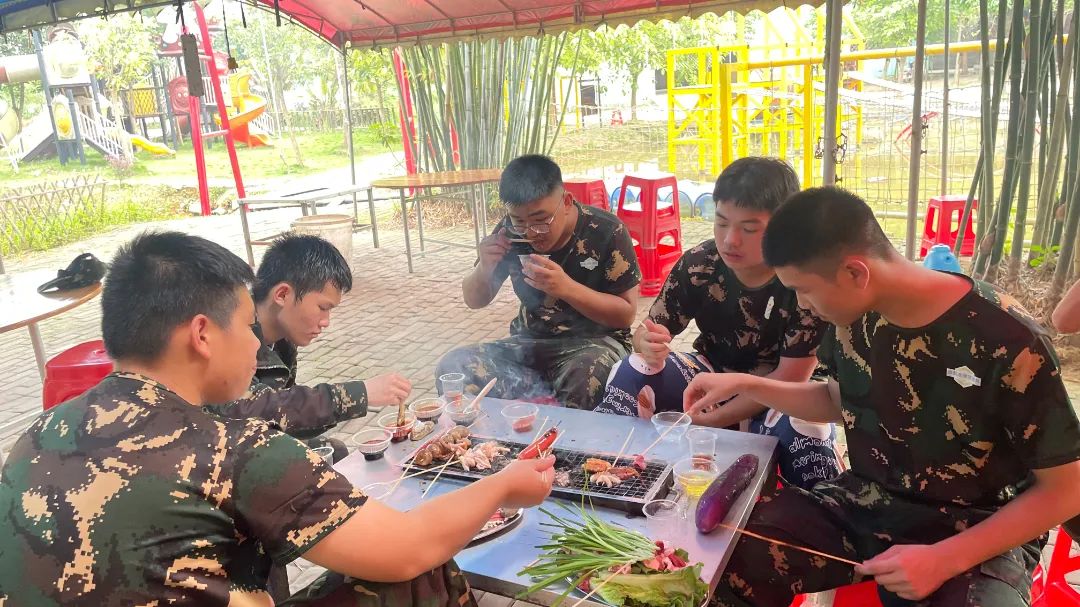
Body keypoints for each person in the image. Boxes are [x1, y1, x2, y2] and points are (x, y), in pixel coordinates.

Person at [0, 231, 555, 606]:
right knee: (419, 574)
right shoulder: (231, 449)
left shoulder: (37, 435)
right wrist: (503, 484)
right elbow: (408, 547)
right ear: (202, 335)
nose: (254, 342)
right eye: (245, 326)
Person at [683, 188, 1080, 606]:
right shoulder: (852, 315)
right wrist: (750, 385)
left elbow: (1066, 488)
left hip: (981, 528)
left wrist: (943, 560)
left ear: (855, 273)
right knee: (726, 555)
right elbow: (841, 400)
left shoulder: (1006, 337)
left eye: (804, 290)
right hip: (867, 504)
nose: (803, 305)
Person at [595, 157, 839, 490]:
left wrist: (711, 420)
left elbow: (792, 378)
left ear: (784, 227)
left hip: (780, 395)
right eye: (721, 222)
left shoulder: (801, 279)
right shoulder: (702, 263)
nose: (730, 240)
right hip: (711, 378)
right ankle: (610, 476)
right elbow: (647, 330)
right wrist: (647, 343)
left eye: (748, 229)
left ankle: (815, 511)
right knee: (633, 368)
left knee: (806, 427)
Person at [436, 154, 641, 409]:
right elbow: (474, 300)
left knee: (586, 375)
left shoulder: (607, 231)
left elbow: (625, 315)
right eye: (519, 221)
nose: (531, 232)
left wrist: (566, 288)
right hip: (529, 344)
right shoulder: (509, 232)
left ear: (566, 202)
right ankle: (494, 433)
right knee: (454, 367)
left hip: (595, 344)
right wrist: (484, 268)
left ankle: (569, 434)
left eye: (541, 220)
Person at [206, 234, 411, 463]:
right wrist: (360, 394)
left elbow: (285, 409)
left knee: (331, 450)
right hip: (218, 458)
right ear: (282, 294)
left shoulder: (283, 339)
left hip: (252, 448)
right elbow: (253, 410)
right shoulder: (227, 336)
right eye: (323, 307)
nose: (326, 322)